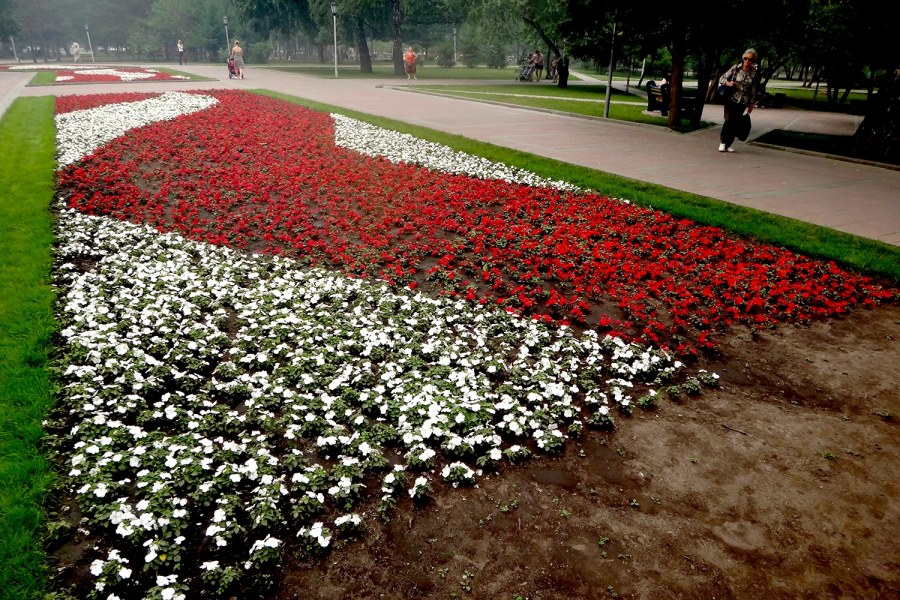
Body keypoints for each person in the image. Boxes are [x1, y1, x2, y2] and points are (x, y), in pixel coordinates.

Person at [717, 48, 760, 152]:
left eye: (750, 59)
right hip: (731, 98)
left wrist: (752, 104)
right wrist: (728, 83)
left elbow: (754, 89)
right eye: (746, 58)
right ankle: (723, 143)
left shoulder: (754, 73)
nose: (747, 61)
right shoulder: (735, 68)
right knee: (729, 120)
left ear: (753, 61)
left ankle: (728, 144)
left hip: (743, 101)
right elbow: (722, 78)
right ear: (743, 58)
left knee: (735, 123)